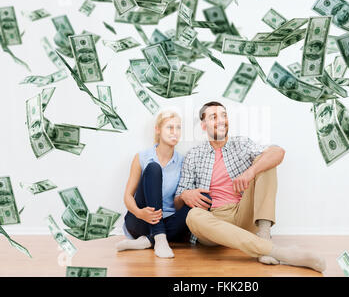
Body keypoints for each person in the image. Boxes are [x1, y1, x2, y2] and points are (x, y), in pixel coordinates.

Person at [173, 101, 326, 272]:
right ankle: (276, 251)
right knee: (193, 216)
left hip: (243, 213)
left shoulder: (242, 144)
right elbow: (177, 202)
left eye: (224, 115)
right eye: (214, 117)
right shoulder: (193, 155)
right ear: (203, 125)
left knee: (265, 161)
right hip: (215, 220)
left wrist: (250, 172)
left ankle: (265, 237)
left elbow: (278, 152)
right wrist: (184, 195)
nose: (221, 120)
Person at [115, 110, 191, 258]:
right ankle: (160, 237)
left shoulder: (183, 162)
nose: (175, 132)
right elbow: (127, 196)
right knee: (153, 168)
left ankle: (149, 240)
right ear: (158, 129)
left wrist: (184, 197)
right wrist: (139, 212)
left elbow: (177, 205)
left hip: (168, 220)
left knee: (194, 209)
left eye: (178, 128)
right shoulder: (142, 157)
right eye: (170, 127)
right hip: (141, 220)